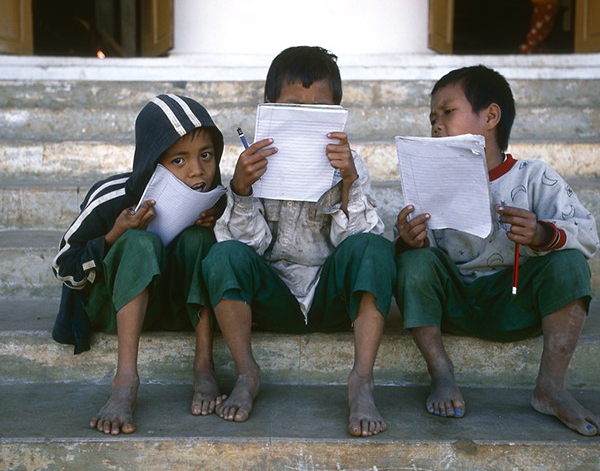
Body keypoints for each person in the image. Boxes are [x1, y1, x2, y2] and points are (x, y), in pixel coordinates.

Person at [395, 64, 600, 436]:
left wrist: (542, 234)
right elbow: (420, 262)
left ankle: (550, 387)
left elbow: (588, 234)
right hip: (454, 303)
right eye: (432, 118)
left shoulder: (535, 177)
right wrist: (410, 239)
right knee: (414, 262)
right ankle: (441, 373)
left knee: (570, 264)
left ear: (490, 116)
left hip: (516, 302)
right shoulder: (428, 184)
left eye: (447, 112)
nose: (436, 125)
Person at [202, 46, 395, 437]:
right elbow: (246, 249)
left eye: (319, 110)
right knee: (223, 255)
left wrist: (348, 184)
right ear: (270, 106)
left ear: (338, 113)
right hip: (271, 298)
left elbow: (358, 243)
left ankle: (361, 380)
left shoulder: (349, 163)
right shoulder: (255, 163)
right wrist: (240, 189)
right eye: (293, 107)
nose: (306, 119)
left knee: (375, 248)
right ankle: (246, 372)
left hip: (331, 297)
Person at [52, 93, 227, 434]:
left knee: (200, 239)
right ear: (152, 162)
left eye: (206, 155)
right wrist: (113, 235)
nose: (197, 170)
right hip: (111, 309)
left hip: (172, 307)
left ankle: (204, 366)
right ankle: (125, 381)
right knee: (139, 242)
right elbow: (63, 267)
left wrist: (216, 224)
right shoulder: (112, 196)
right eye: (179, 161)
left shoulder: (214, 197)